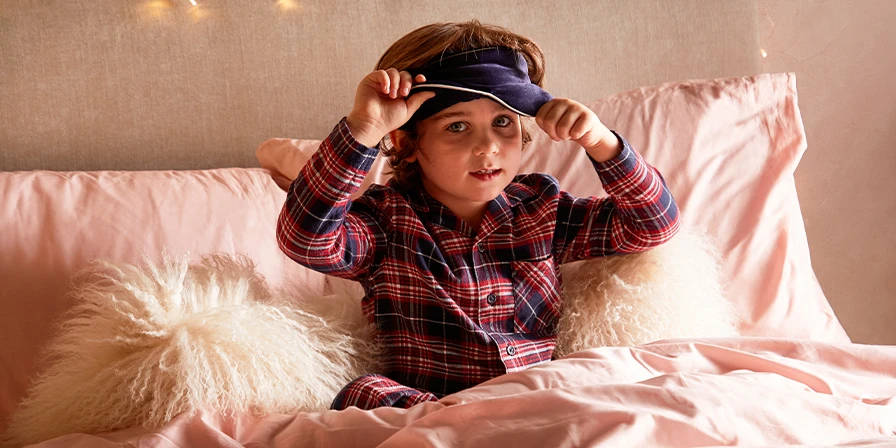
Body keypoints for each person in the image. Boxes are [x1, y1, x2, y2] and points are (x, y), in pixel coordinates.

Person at [276, 20, 680, 411]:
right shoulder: (386, 221)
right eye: (457, 127)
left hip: (536, 394)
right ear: (406, 142)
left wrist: (601, 142)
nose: (487, 146)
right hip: (433, 406)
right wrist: (363, 128)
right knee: (365, 393)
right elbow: (305, 238)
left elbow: (653, 225)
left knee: (611, 377)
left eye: (502, 122)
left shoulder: (543, 207)